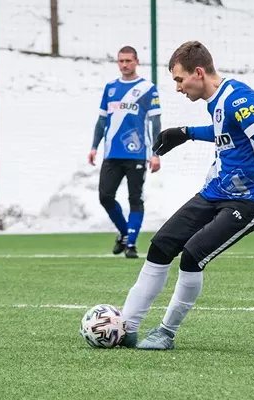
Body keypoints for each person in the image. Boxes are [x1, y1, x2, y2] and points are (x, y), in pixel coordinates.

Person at [119, 41, 254, 350]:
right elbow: (224, 131)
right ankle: (126, 327)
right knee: (161, 245)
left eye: (179, 79)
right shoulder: (215, 100)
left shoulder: (240, 100)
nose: (178, 88)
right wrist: (186, 133)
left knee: (192, 256)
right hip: (217, 190)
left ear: (198, 73)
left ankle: (166, 332)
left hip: (253, 199)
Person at [88, 45, 162, 259]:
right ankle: (123, 232)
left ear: (136, 62)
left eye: (128, 60)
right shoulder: (110, 88)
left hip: (137, 153)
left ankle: (131, 243)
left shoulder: (148, 88)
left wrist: (156, 153)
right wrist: (94, 146)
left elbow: (156, 122)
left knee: (135, 198)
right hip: (112, 152)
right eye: (121, 61)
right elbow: (102, 120)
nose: (125, 65)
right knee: (105, 196)